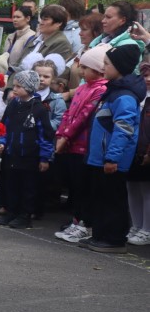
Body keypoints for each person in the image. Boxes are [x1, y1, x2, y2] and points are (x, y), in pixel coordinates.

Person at [83, 46, 145, 252]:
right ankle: (100, 235)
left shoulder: (124, 96)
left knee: (113, 200)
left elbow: (124, 129)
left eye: (107, 64)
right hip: (100, 157)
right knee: (100, 197)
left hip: (112, 160)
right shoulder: (112, 91)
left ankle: (114, 239)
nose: (103, 67)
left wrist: (112, 158)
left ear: (120, 66)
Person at [53, 45, 110, 243]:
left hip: (84, 145)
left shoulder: (101, 89)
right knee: (76, 186)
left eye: (86, 68)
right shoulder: (83, 88)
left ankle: (85, 224)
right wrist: (61, 134)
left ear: (99, 69)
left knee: (85, 187)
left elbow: (84, 116)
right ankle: (77, 220)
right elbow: (69, 113)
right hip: (71, 144)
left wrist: (66, 137)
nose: (81, 71)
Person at [0, 70, 54, 229]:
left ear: (29, 88)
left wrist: (44, 157)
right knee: (11, 184)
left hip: (29, 155)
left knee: (28, 187)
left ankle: (24, 215)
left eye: (19, 86)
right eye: (14, 85)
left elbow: (45, 134)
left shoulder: (39, 109)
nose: (14, 89)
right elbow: (3, 126)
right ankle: (11, 211)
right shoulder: (13, 105)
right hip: (11, 153)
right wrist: (1, 142)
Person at [125, 59, 150, 246]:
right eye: (145, 75)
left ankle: (146, 229)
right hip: (133, 150)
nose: (148, 79)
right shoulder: (138, 97)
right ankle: (136, 225)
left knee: (146, 190)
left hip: (146, 151)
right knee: (132, 188)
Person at [1, 5, 36, 74]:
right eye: (13, 17)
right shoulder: (10, 36)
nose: (15, 20)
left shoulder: (32, 37)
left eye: (18, 17)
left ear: (28, 18)